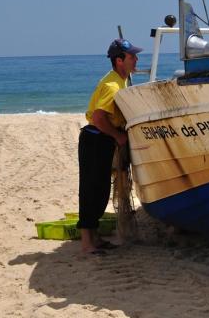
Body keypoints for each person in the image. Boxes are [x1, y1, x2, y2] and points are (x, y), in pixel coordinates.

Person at [78, 37, 142, 255]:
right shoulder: (112, 85)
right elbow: (98, 118)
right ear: (119, 60)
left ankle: (94, 238)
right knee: (91, 190)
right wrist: (118, 135)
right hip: (95, 138)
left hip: (102, 139)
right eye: (132, 56)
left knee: (102, 190)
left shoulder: (121, 79)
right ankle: (87, 243)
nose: (136, 59)